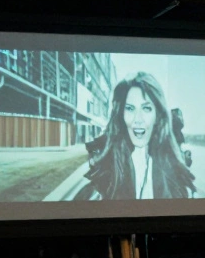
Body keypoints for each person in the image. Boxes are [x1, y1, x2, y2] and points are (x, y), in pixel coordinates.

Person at [83, 72, 194, 200]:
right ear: (121, 114)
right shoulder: (106, 169)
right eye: (130, 108)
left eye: (146, 108)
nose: (138, 119)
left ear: (157, 116)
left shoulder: (173, 169)